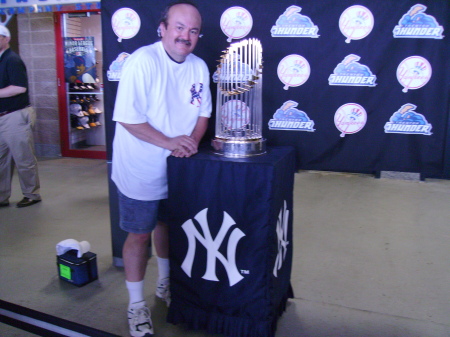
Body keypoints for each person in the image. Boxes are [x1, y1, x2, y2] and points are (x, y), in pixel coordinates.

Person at [111, 1, 211, 336]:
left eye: (193, 30)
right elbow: (127, 118)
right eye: (180, 27)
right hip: (140, 169)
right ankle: (136, 305)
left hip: (178, 170)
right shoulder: (143, 61)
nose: (186, 36)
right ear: (163, 28)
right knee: (139, 234)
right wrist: (171, 143)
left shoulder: (198, 66)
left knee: (168, 227)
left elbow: (203, 114)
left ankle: (165, 284)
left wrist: (192, 143)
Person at [0, 25, 41, 208]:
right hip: (3, 117)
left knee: (23, 158)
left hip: (15, 116)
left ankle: (32, 195)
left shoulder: (12, 60)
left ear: (6, 39)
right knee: (1, 160)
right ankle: (1, 197)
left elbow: (19, 87)